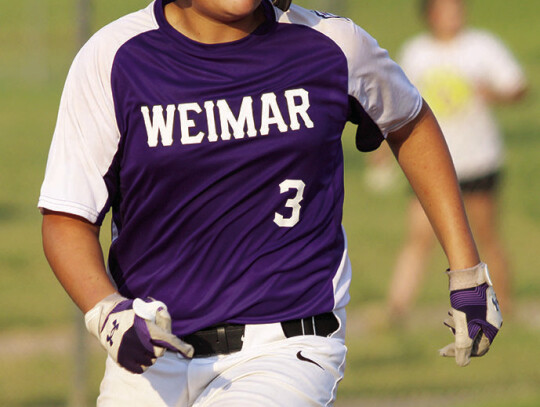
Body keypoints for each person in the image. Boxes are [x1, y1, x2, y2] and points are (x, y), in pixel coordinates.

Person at [39, 0, 502, 405]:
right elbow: (66, 216)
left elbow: (410, 121)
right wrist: (107, 313)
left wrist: (467, 272)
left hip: (285, 346)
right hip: (149, 355)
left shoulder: (330, 45)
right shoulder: (115, 58)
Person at [386, 0, 527, 323]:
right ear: (429, 14)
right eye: (446, 9)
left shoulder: (482, 46)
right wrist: (382, 154)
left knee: (485, 233)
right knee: (419, 237)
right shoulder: (416, 52)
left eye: (457, 8)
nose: (454, 14)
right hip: (430, 163)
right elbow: (395, 106)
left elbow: (518, 87)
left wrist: (495, 94)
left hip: (478, 158)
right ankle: (396, 308)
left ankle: (506, 303)